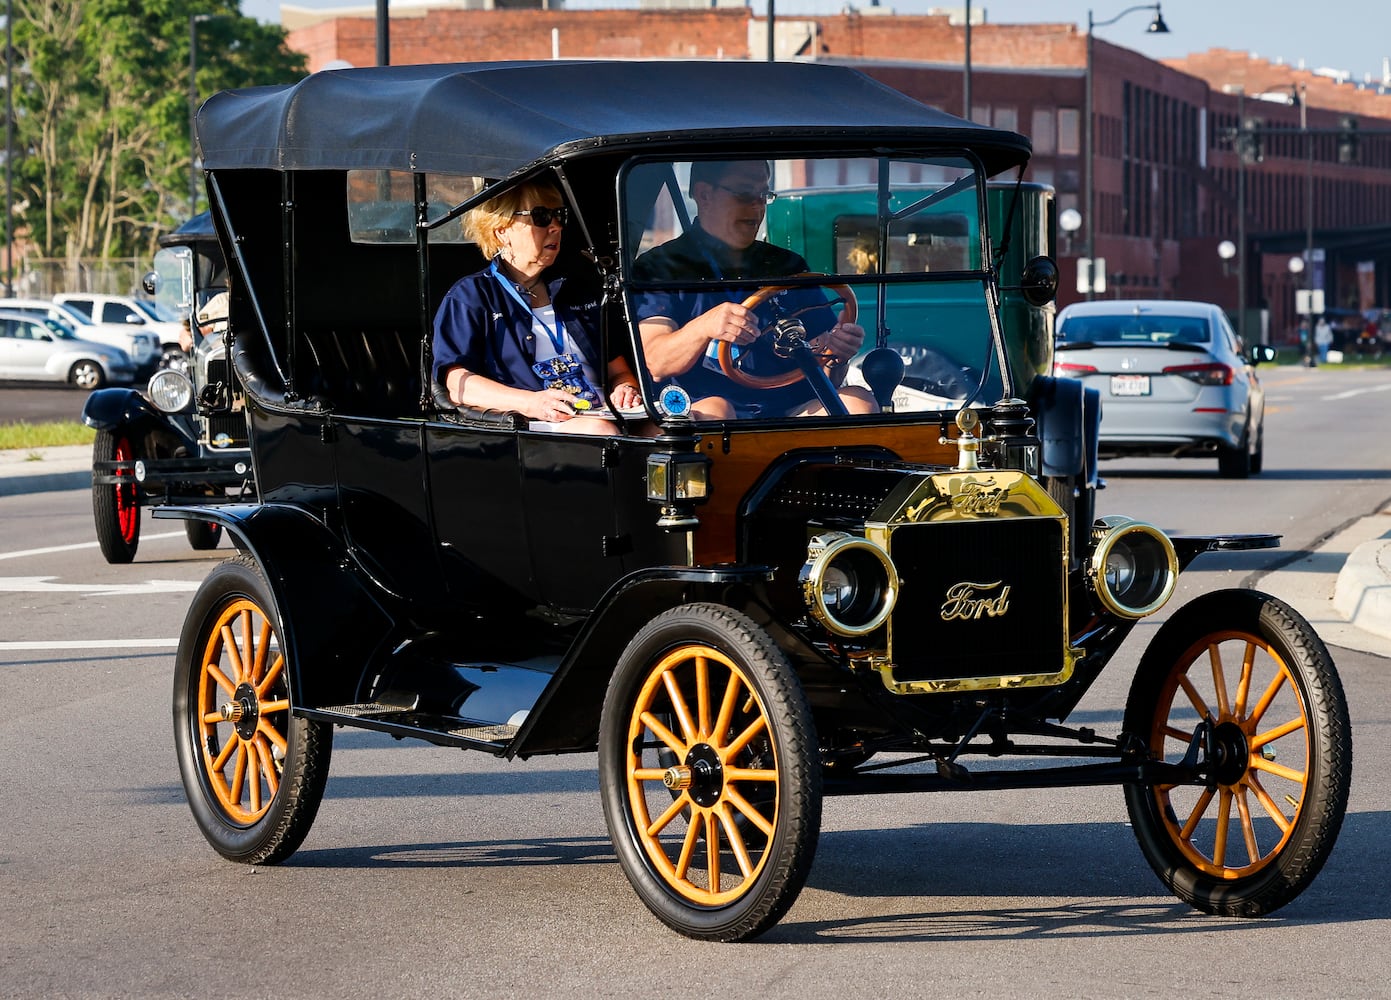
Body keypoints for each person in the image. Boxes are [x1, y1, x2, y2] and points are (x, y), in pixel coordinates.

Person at [631, 159, 877, 420]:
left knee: (859, 402)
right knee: (718, 410)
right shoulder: (659, 268)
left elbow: (829, 377)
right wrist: (705, 326)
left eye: (763, 195)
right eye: (745, 194)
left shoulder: (787, 265)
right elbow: (657, 363)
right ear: (704, 194)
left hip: (787, 410)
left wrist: (837, 353)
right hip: (705, 410)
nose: (757, 205)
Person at [433, 180, 641, 434]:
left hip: (603, 413)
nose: (555, 226)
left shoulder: (576, 290)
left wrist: (625, 389)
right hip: (530, 425)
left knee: (667, 433)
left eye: (559, 216)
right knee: (602, 432)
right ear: (502, 230)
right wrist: (530, 402)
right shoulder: (472, 295)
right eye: (541, 217)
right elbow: (457, 383)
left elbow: (619, 372)